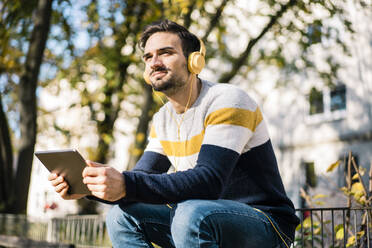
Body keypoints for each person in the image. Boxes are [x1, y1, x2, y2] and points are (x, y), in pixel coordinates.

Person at [48, 19, 300, 248]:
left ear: (194, 61)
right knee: (121, 215)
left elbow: (209, 180)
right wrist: (93, 187)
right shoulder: (163, 118)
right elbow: (142, 177)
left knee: (191, 213)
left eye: (165, 53)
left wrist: (126, 183)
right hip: (200, 217)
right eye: (148, 57)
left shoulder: (227, 100)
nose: (154, 62)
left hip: (265, 223)